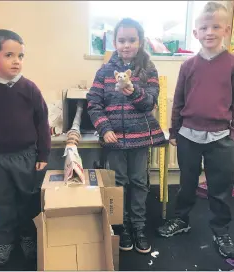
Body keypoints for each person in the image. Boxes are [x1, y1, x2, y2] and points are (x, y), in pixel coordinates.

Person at [157, 2, 234, 259]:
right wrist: (174, 131)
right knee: (186, 183)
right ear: (195, 33)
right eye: (204, 27)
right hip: (188, 136)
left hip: (221, 138)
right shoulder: (188, 66)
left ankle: (221, 230)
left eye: (216, 26)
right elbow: (179, 99)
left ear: (226, 30)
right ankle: (181, 220)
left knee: (220, 188)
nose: (210, 32)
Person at [0, 29, 51, 266]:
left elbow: (42, 122)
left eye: (21, 56)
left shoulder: (30, 89)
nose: (16, 61)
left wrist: (43, 153)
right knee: (4, 201)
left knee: (27, 199)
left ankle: (27, 237)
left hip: (26, 156)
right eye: (9, 55)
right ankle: (5, 240)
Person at [87, 18, 165, 254]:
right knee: (119, 183)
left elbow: (150, 103)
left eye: (132, 40)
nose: (126, 45)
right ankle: (122, 227)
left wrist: (134, 91)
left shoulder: (149, 70)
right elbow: (93, 102)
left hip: (140, 138)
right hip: (115, 139)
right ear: (114, 42)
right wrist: (105, 128)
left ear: (140, 42)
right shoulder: (104, 72)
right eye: (121, 40)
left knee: (139, 182)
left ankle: (139, 226)